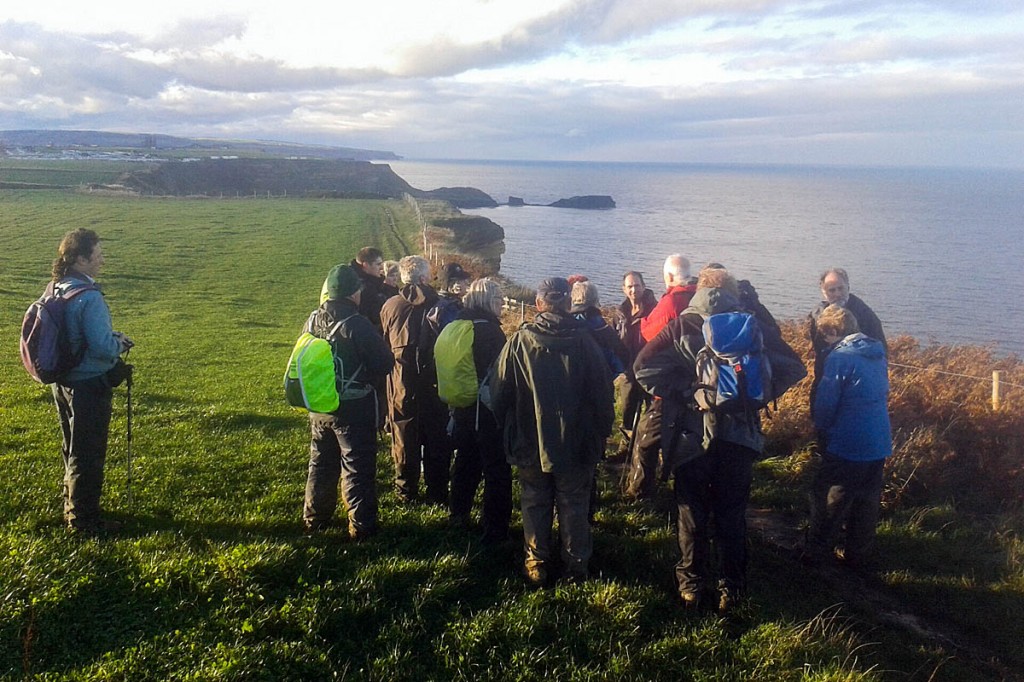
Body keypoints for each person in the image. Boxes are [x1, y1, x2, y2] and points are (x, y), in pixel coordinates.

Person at [634, 267, 801, 613]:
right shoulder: (750, 323)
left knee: (691, 511)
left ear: (699, 290)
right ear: (732, 291)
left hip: (691, 434)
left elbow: (643, 367)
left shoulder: (683, 324)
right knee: (731, 512)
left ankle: (691, 586)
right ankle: (731, 588)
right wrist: (756, 396)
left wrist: (685, 392)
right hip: (739, 435)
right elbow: (793, 367)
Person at [489, 277, 614, 586]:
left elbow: (498, 390)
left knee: (534, 499)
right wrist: (602, 433)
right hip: (576, 441)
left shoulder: (519, 341)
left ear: (539, 304)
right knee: (573, 502)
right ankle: (576, 565)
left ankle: (536, 563)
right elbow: (603, 394)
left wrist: (505, 424)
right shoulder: (586, 342)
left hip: (530, 440)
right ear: (569, 303)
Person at [49, 228, 133, 534]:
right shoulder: (90, 297)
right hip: (89, 384)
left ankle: (71, 506)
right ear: (82, 259)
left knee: (70, 446)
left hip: (63, 381)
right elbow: (100, 346)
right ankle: (84, 521)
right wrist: (120, 344)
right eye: (97, 255)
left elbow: (75, 336)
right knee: (89, 452)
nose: (102, 260)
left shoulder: (57, 287)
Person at [303, 264, 394, 538]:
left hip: (320, 405)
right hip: (354, 410)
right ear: (354, 294)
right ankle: (362, 527)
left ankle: (314, 519)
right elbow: (384, 363)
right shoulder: (357, 324)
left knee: (320, 464)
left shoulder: (312, 320)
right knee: (356, 469)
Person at [805, 305, 892, 570]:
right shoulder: (877, 353)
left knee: (831, 497)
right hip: (879, 439)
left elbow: (827, 403)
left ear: (834, 331)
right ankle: (857, 555)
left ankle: (817, 552)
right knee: (866, 501)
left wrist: (822, 428)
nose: (825, 341)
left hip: (849, 440)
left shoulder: (840, 357)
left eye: (826, 335)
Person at [380, 256, 453, 505]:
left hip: (401, 382)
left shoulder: (390, 305)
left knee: (403, 436)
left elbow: (385, 343)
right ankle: (437, 492)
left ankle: (406, 491)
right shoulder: (442, 306)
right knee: (437, 438)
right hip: (435, 381)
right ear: (423, 278)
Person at [625, 254, 697, 501]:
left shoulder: (671, 303)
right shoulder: (698, 297)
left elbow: (649, 332)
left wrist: (643, 319)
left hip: (668, 384)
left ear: (668, 276)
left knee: (647, 438)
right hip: (698, 383)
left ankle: (641, 492)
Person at [447, 279, 513, 544]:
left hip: (462, 406)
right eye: (499, 300)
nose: (503, 305)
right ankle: (495, 528)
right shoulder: (490, 332)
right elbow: (501, 374)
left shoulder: (458, 324)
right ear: (488, 301)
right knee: (497, 470)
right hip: (486, 413)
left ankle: (458, 514)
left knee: (465, 463)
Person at [808, 268, 886, 402]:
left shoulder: (865, 314)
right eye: (832, 290)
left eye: (841, 288)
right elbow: (818, 348)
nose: (837, 294)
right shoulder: (817, 314)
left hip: (856, 384)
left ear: (848, 287)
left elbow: (880, 351)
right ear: (824, 292)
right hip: (825, 376)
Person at [612, 271, 658, 456]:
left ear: (644, 286)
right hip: (628, 371)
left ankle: (647, 451)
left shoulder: (655, 310)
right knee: (627, 410)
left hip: (649, 369)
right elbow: (614, 340)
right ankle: (626, 449)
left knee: (650, 413)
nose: (633, 290)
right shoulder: (620, 313)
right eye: (629, 286)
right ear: (624, 289)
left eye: (637, 285)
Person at [321, 247, 398, 332]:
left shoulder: (344, 276)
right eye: (378, 264)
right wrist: (389, 288)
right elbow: (383, 313)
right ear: (366, 265)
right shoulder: (364, 286)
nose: (381, 268)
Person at [570, 280, 628, 376]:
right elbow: (621, 362)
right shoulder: (603, 329)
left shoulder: (564, 325)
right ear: (596, 300)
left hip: (569, 383)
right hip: (598, 384)